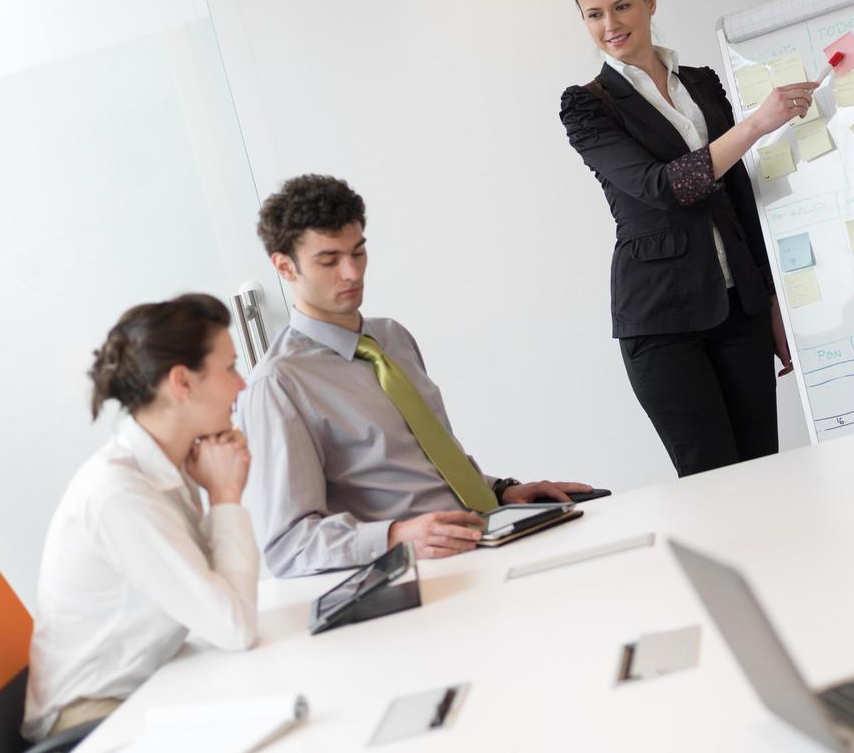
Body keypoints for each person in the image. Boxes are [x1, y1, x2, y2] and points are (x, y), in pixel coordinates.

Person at [238, 174, 594, 578]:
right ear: (285, 266)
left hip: (488, 533)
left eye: (358, 252)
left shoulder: (392, 337)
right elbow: (289, 545)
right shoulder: (278, 385)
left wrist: (498, 490)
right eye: (329, 260)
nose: (352, 273)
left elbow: (419, 460)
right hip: (425, 571)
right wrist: (396, 537)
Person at [560, 0, 814, 477]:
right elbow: (665, 188)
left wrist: (772, 299)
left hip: (738, 309)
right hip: (661, 322)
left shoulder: (700, 83)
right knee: (711, 482)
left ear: (651, 1)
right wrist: (754, 126)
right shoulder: (587, 105)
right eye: (594, 14)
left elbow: (739, 196)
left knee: (764, 475)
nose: (611, 25)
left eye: (623, 6)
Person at [23, 295, 257, 742]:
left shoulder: (163, 469)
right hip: (91, 724)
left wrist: (215, 492)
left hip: (146, 689)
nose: (241, 385)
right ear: (182, 383)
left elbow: (221, 605)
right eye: (230, 368)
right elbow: (235, 626)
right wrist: (226, 497)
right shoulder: (120, 493)